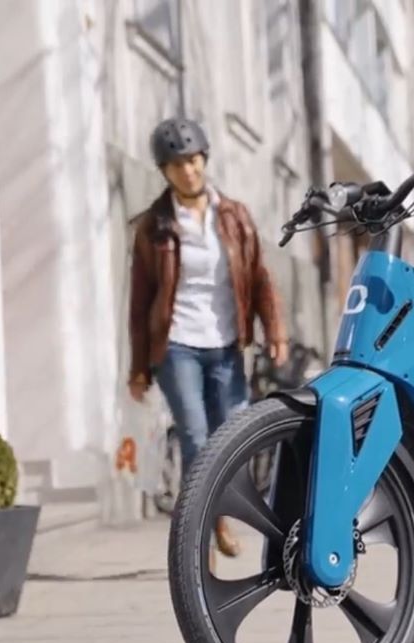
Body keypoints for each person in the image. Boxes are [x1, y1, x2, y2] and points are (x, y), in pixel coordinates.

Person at [127, 118, 289, 560]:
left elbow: (258, 277)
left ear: (205, 160)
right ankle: (204, 532)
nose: (189, 172)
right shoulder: (153, 227)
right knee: (197, 438)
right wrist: (139, 367)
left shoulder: (234, 217)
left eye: (194, 161)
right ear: (164, 171)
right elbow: (140, 302)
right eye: (177, 165)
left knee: (232, 436)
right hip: (176, 343)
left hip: (225, 343)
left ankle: (218, 515)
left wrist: (274, 330)